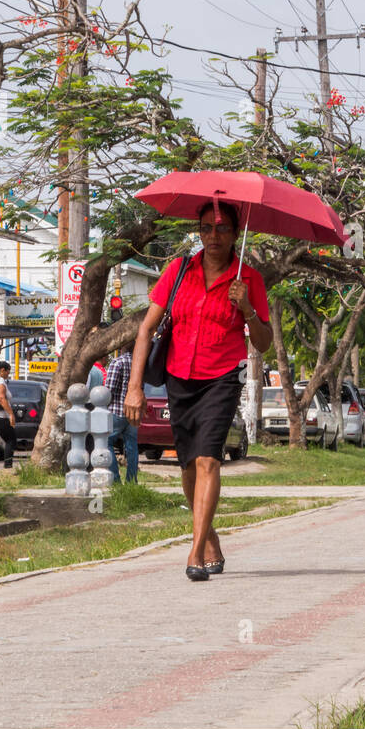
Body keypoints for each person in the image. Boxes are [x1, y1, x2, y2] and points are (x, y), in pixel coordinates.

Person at [125, 201, 272, 582]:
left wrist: (248, 310)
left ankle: (193, 551)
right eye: (207, 228)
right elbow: (145, 330)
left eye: (222, 229)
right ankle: (210, 537)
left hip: (224, 376)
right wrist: (135, 387)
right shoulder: (178, 271)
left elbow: (264, 342)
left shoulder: (249, 280)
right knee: (188, 464)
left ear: (236, 234)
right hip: (179, 377)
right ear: (199, 231)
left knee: (209, 459)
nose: (213, 236)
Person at [104, 348, 139, 484]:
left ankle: (115, 479)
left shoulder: (118, 362)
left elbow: (109, 390)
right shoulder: (139, 364)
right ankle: (131, 481)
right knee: (132, 446)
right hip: (134, 412)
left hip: (116, 410)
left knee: (106, 443)